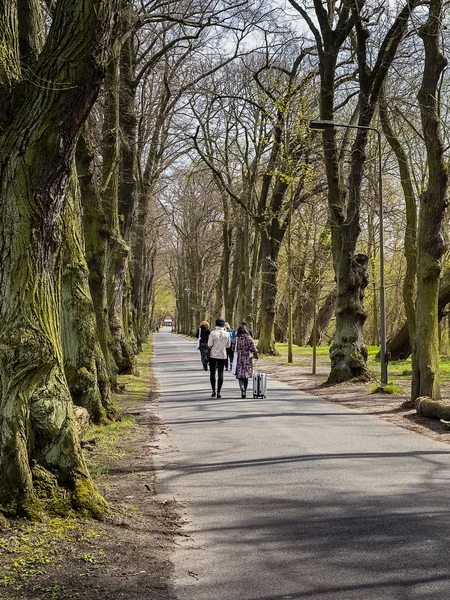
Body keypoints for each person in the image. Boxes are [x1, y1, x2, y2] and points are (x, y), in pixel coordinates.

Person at [232, 325, 258, 398]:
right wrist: (256, 355)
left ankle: (242, 388)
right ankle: (245, 390)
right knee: (246, 375)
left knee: (240, 375)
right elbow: (253, 348)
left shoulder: (236, 339)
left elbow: (233, 348)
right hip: (247, 357)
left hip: (239, 358)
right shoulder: (249, 338)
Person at [207, 317, 230, 398]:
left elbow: (209, 344)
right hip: (222, 355)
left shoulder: (212, 333)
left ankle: (213, 390)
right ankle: (219, 391)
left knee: (212, 373)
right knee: (221, 373)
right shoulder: (227, 334)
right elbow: (228, 345)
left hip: (213, 355)